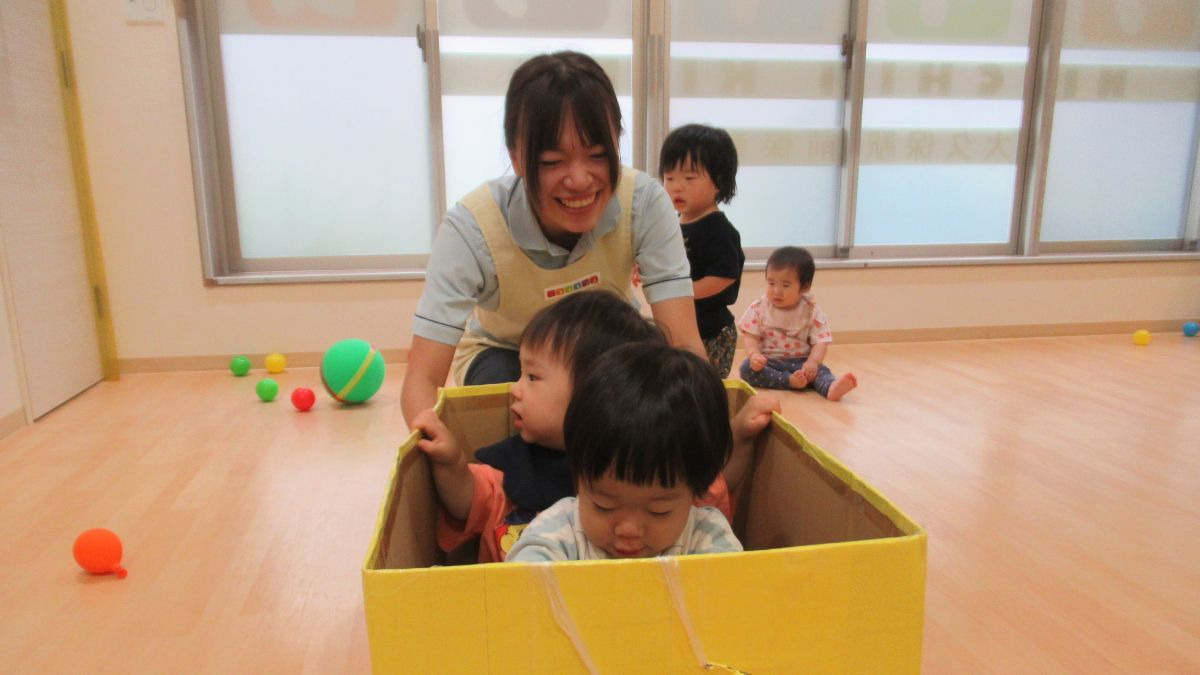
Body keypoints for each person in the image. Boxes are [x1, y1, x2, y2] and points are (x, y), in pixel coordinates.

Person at [402, 51, 704, 425]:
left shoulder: (643, 202)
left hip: (609, 346)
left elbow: (685, 345)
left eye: (597, 155)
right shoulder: (473, 228)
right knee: (514, 424)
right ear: (515, 158)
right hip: (505, 353)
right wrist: (444, 456)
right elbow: (422, 379)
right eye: (552, 162)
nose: (579, 180)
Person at [409, 291, 773, 563]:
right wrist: (451, 462)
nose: (515, 389)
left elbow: (710, 486)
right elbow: (471, 502)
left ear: (598, 393)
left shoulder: (680, 493)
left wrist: (738, 439)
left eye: (533, 377)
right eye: (601, 503)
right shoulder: (550, 510)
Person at [508, 343, 742, 561]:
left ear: (695, 493)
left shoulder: (705, 537)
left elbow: (733, 590)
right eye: (603, 505)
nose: (628, 530)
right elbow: (524, 578)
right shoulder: (560, 531)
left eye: (658, 511)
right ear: (579, 479)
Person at [659, 124, 745, 378]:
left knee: (703, 383)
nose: (676, 187)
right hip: (683, 323)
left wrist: (683, 291)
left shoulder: (718, 228)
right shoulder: (676, 222)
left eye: (689, 178)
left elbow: (724, 275)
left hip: (712, 330)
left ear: (718, 182)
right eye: (669, 177)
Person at [737, 246, 857, 400]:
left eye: (785, 285)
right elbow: (750, 336)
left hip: (802, 363)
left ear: (804, 287)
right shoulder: (759, 307)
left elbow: (820, 342)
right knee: (746, 368)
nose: (776, 291)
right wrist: (754, 355)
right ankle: (789, 381)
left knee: (820, 372)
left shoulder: (811, 310)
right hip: (769, 362)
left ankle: (831, 388)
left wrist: (813, 362)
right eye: (771, 283)